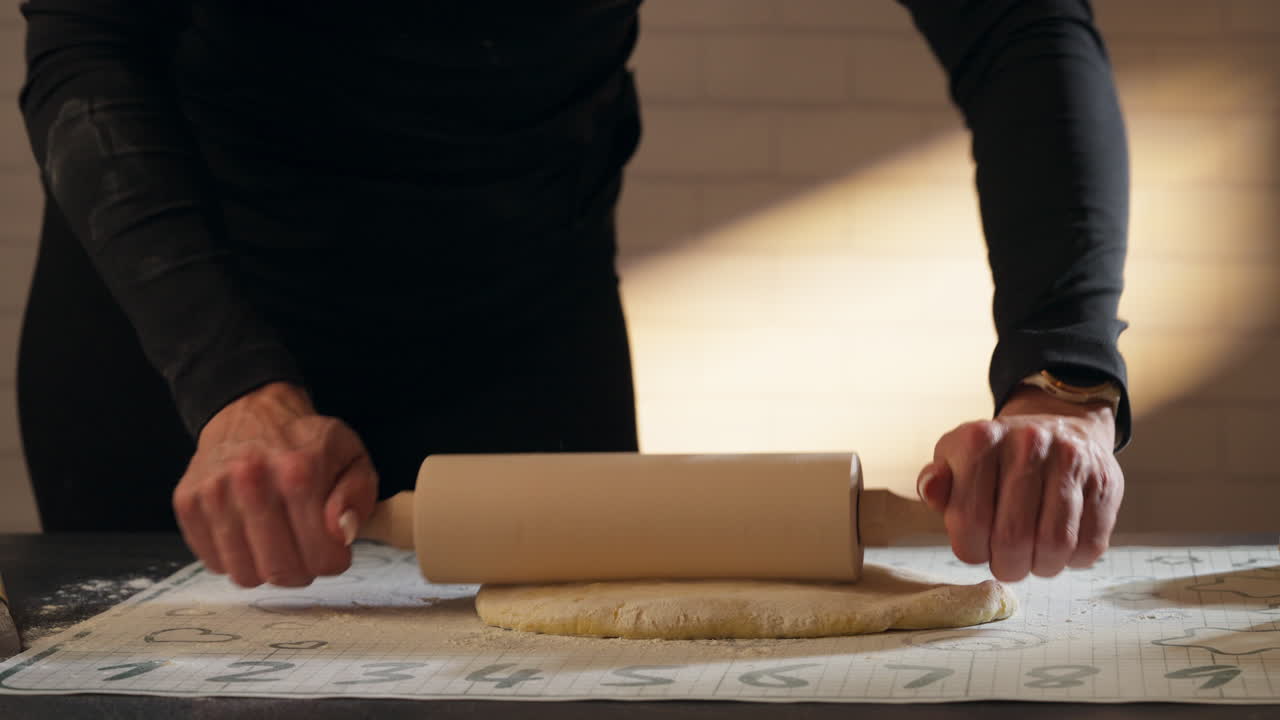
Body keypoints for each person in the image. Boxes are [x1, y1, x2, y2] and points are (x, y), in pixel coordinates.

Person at [16, 1, 1130, 588]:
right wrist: (231, 387)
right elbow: (86, 46)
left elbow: (1018, 25)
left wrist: (1060, 380)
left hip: (519, 328)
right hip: (189, 337)